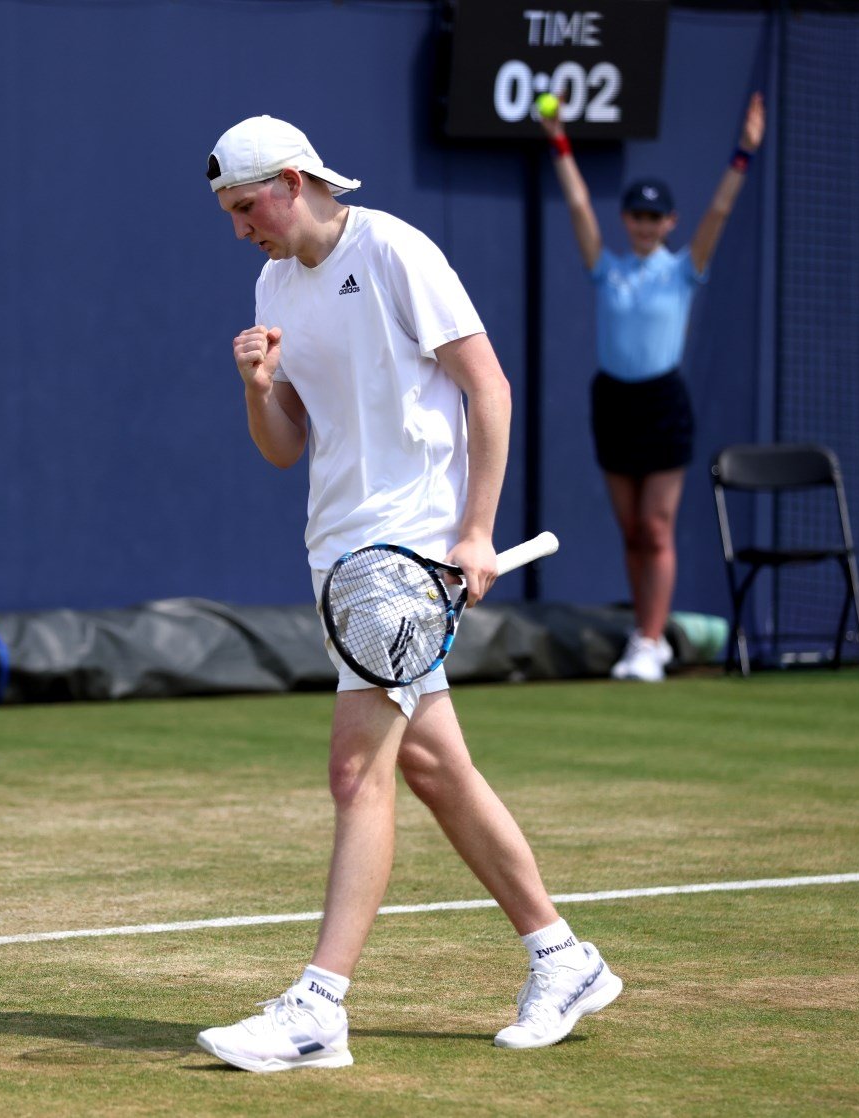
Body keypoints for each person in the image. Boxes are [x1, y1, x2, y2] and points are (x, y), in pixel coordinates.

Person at [195, 115, 622, 1073]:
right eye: (228, 214)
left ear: (294, 181)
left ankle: (318, 1006)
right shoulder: (272, 284)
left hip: (406, 560)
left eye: (247, 207)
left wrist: (475, 528)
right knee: (434, 768)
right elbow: (284, 445)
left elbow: (489, 388)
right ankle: (564, 956)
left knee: (358, 774)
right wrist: (258, 387)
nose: (240, 229)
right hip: (337, 558)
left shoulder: (394, 250)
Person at [540, 93, 767, 682]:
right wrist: (558, 138)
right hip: (613, 402)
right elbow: (578, 203)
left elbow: (717, 212)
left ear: (670, 223)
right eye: (636, 217)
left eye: (654, 218)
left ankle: (649, 638)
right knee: (632, 531)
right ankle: (645, 639)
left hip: (663, 403)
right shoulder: (607, 268)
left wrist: (743, 153)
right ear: (627, 222)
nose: (643, 225)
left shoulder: (684, 268)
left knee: (658, 527)